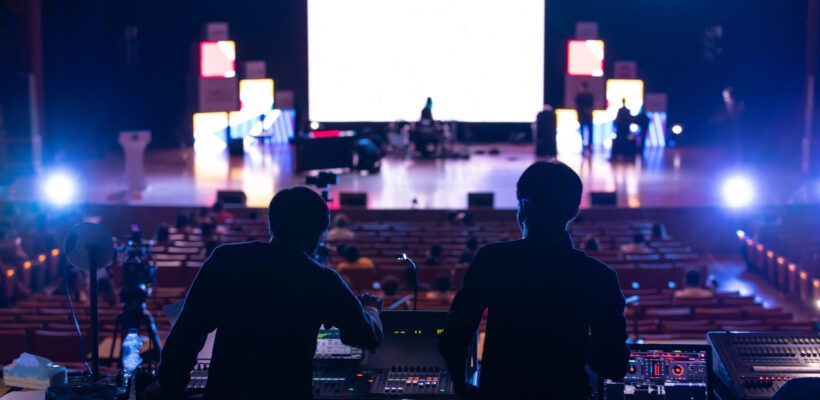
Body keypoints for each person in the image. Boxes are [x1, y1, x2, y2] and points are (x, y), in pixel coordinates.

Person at [157, 187, 384, 399]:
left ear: (271, 223)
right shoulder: (322, 279)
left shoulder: (225, 259)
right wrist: (371, 309)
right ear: (318, 233)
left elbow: (188, 330)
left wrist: (170, 386)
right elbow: (364, 336)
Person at [439, 161, 629, 399]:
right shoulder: (601, 277)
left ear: (524, 207)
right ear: (574, 211)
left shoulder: (492, 260)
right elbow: (613, 366)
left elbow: (453, 339)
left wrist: (461, 387)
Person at [574, 83, 595, 152]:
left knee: (590, 131)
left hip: (588, 117)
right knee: (583, 132)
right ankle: (583, 145)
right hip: (582, 117)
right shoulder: (579, 96)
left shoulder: (589, 96)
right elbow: (577, 106)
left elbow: (591, 106)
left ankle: (589, 146)